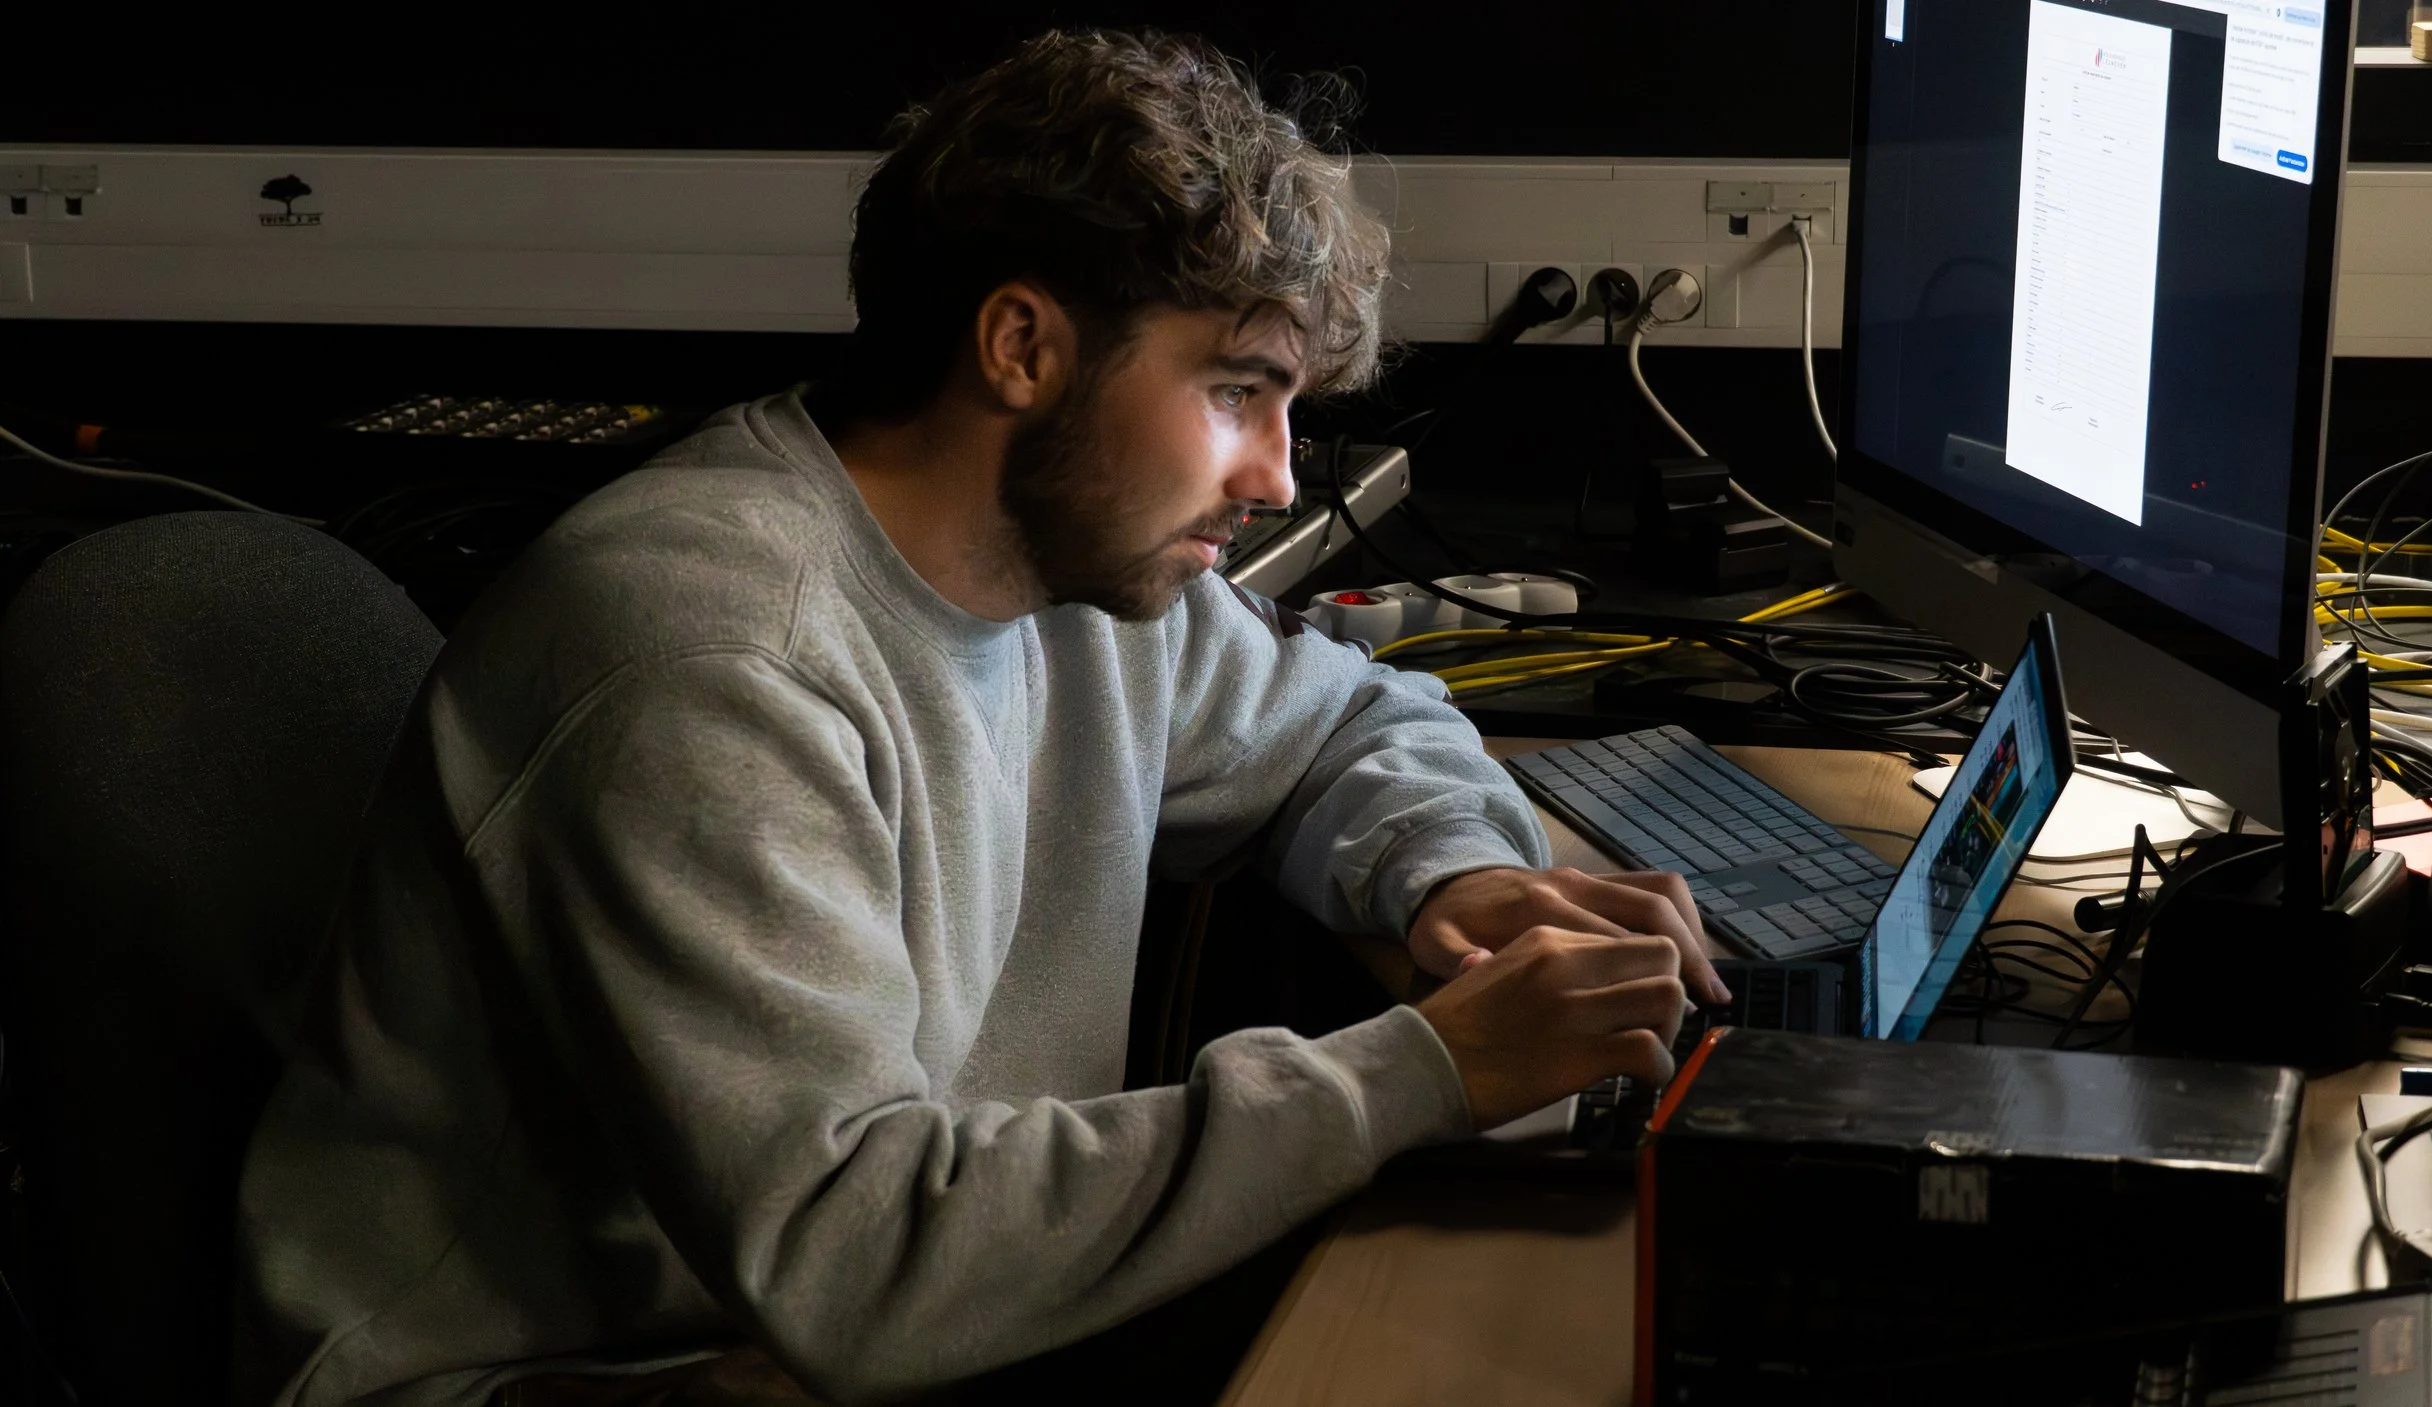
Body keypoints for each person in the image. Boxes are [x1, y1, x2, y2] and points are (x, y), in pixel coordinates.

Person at [236, 29, 1723, 1406]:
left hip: (900, 1316)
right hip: (584, 1372)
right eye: (1236, 391)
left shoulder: (1082, 574)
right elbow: (851, 1253)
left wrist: (1452, 875)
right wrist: (1418, 1071)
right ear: (1022, 347)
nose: (1278, 474)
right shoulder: (714, 662)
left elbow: (1352, 724)